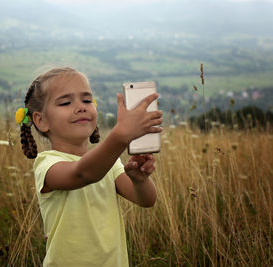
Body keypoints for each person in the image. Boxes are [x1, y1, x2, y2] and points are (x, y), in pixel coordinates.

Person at [16, 67, 163, 267]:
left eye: (86, 100)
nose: (81, 107)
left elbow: (146, 200)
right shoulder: (47, 164)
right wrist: (121, 135)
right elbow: (83, 174)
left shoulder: (110, 165)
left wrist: (140, 180)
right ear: (41, 121)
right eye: (66, 102)